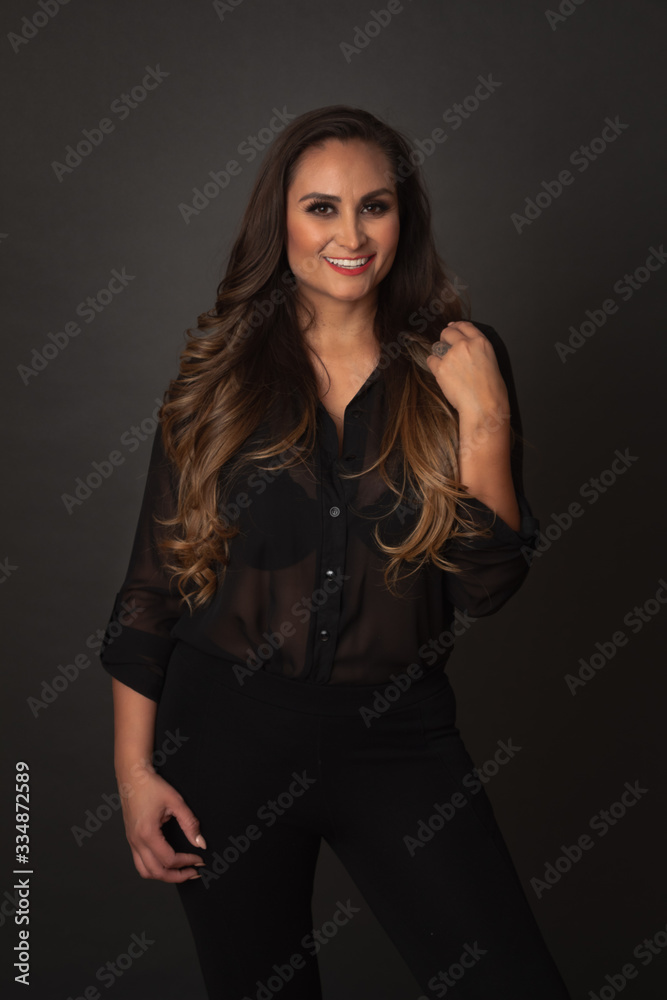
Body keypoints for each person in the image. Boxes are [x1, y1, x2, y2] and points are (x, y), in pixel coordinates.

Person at [100, 105, 572, 999]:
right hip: (226, 738)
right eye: (321, 208)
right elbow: (150, 590)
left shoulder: (461, 363)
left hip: (399, 740)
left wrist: (484, 414)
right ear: (278, 223)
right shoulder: (219, 377)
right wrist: (133, 774)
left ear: (404, 217)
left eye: (373, 207)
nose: (350, 236)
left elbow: (487, 584)